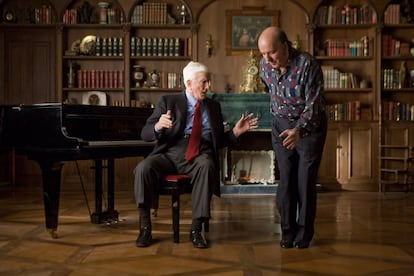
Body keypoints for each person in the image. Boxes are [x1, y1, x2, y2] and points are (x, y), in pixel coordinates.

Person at [134, 61, 258, 249]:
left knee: (206, 165)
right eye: (203, 82)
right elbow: (145, 134)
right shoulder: (168, 102)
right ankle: (145, 227)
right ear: (189, 83)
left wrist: (235, 133)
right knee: (143, 168)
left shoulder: (213, 107)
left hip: (200, 153)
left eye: (208, 82)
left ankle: (196, 229)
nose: (208, 87)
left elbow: (218, 141)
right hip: (170, 152)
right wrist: (158, 126)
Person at [257, 27, 327, 249]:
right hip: (280, 126)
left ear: (286, 46)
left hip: (309, 128)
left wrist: (299, 130)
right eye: (263, 54)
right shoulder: (264, 66)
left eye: (272, 52)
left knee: (304, 180)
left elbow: (314, 105)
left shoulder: (308, 65)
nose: (267, 59)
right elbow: (271, 90)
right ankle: (287, 232)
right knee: (286, 180)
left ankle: (304, 234)